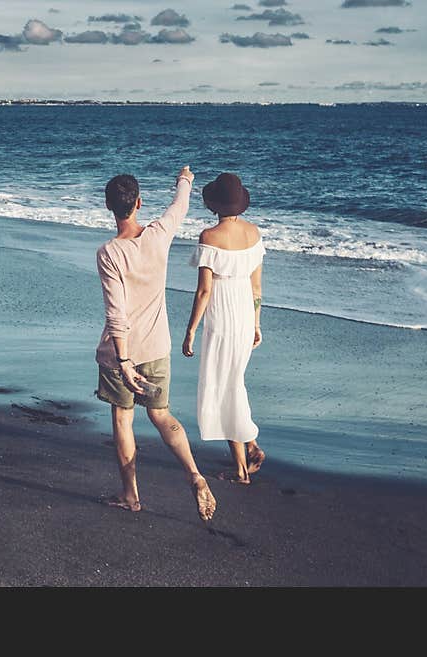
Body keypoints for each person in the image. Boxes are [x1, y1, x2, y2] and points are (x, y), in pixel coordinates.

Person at [95, 167, 216, 522]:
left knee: (122, 418)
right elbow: (179, 206)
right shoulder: (158, 234)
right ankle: (195, 475)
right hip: (158, 347)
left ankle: (130, 495)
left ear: (108, 207)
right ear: (139, 202)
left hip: (123, 354)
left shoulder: (109, 253)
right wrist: (185, 180)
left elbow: (117, 314)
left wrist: (124, 361)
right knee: (161, 414)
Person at [182, 173, 266, 484]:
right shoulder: (254, 233)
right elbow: (257, 287)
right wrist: (257, 323)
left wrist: (191, 330)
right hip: (244, 313)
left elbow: (204, 291)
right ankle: (252, 446)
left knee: (226, 385)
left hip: (221, 316)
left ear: (214, 204)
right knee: (235, 382)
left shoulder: (209, 236)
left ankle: (243, 470)